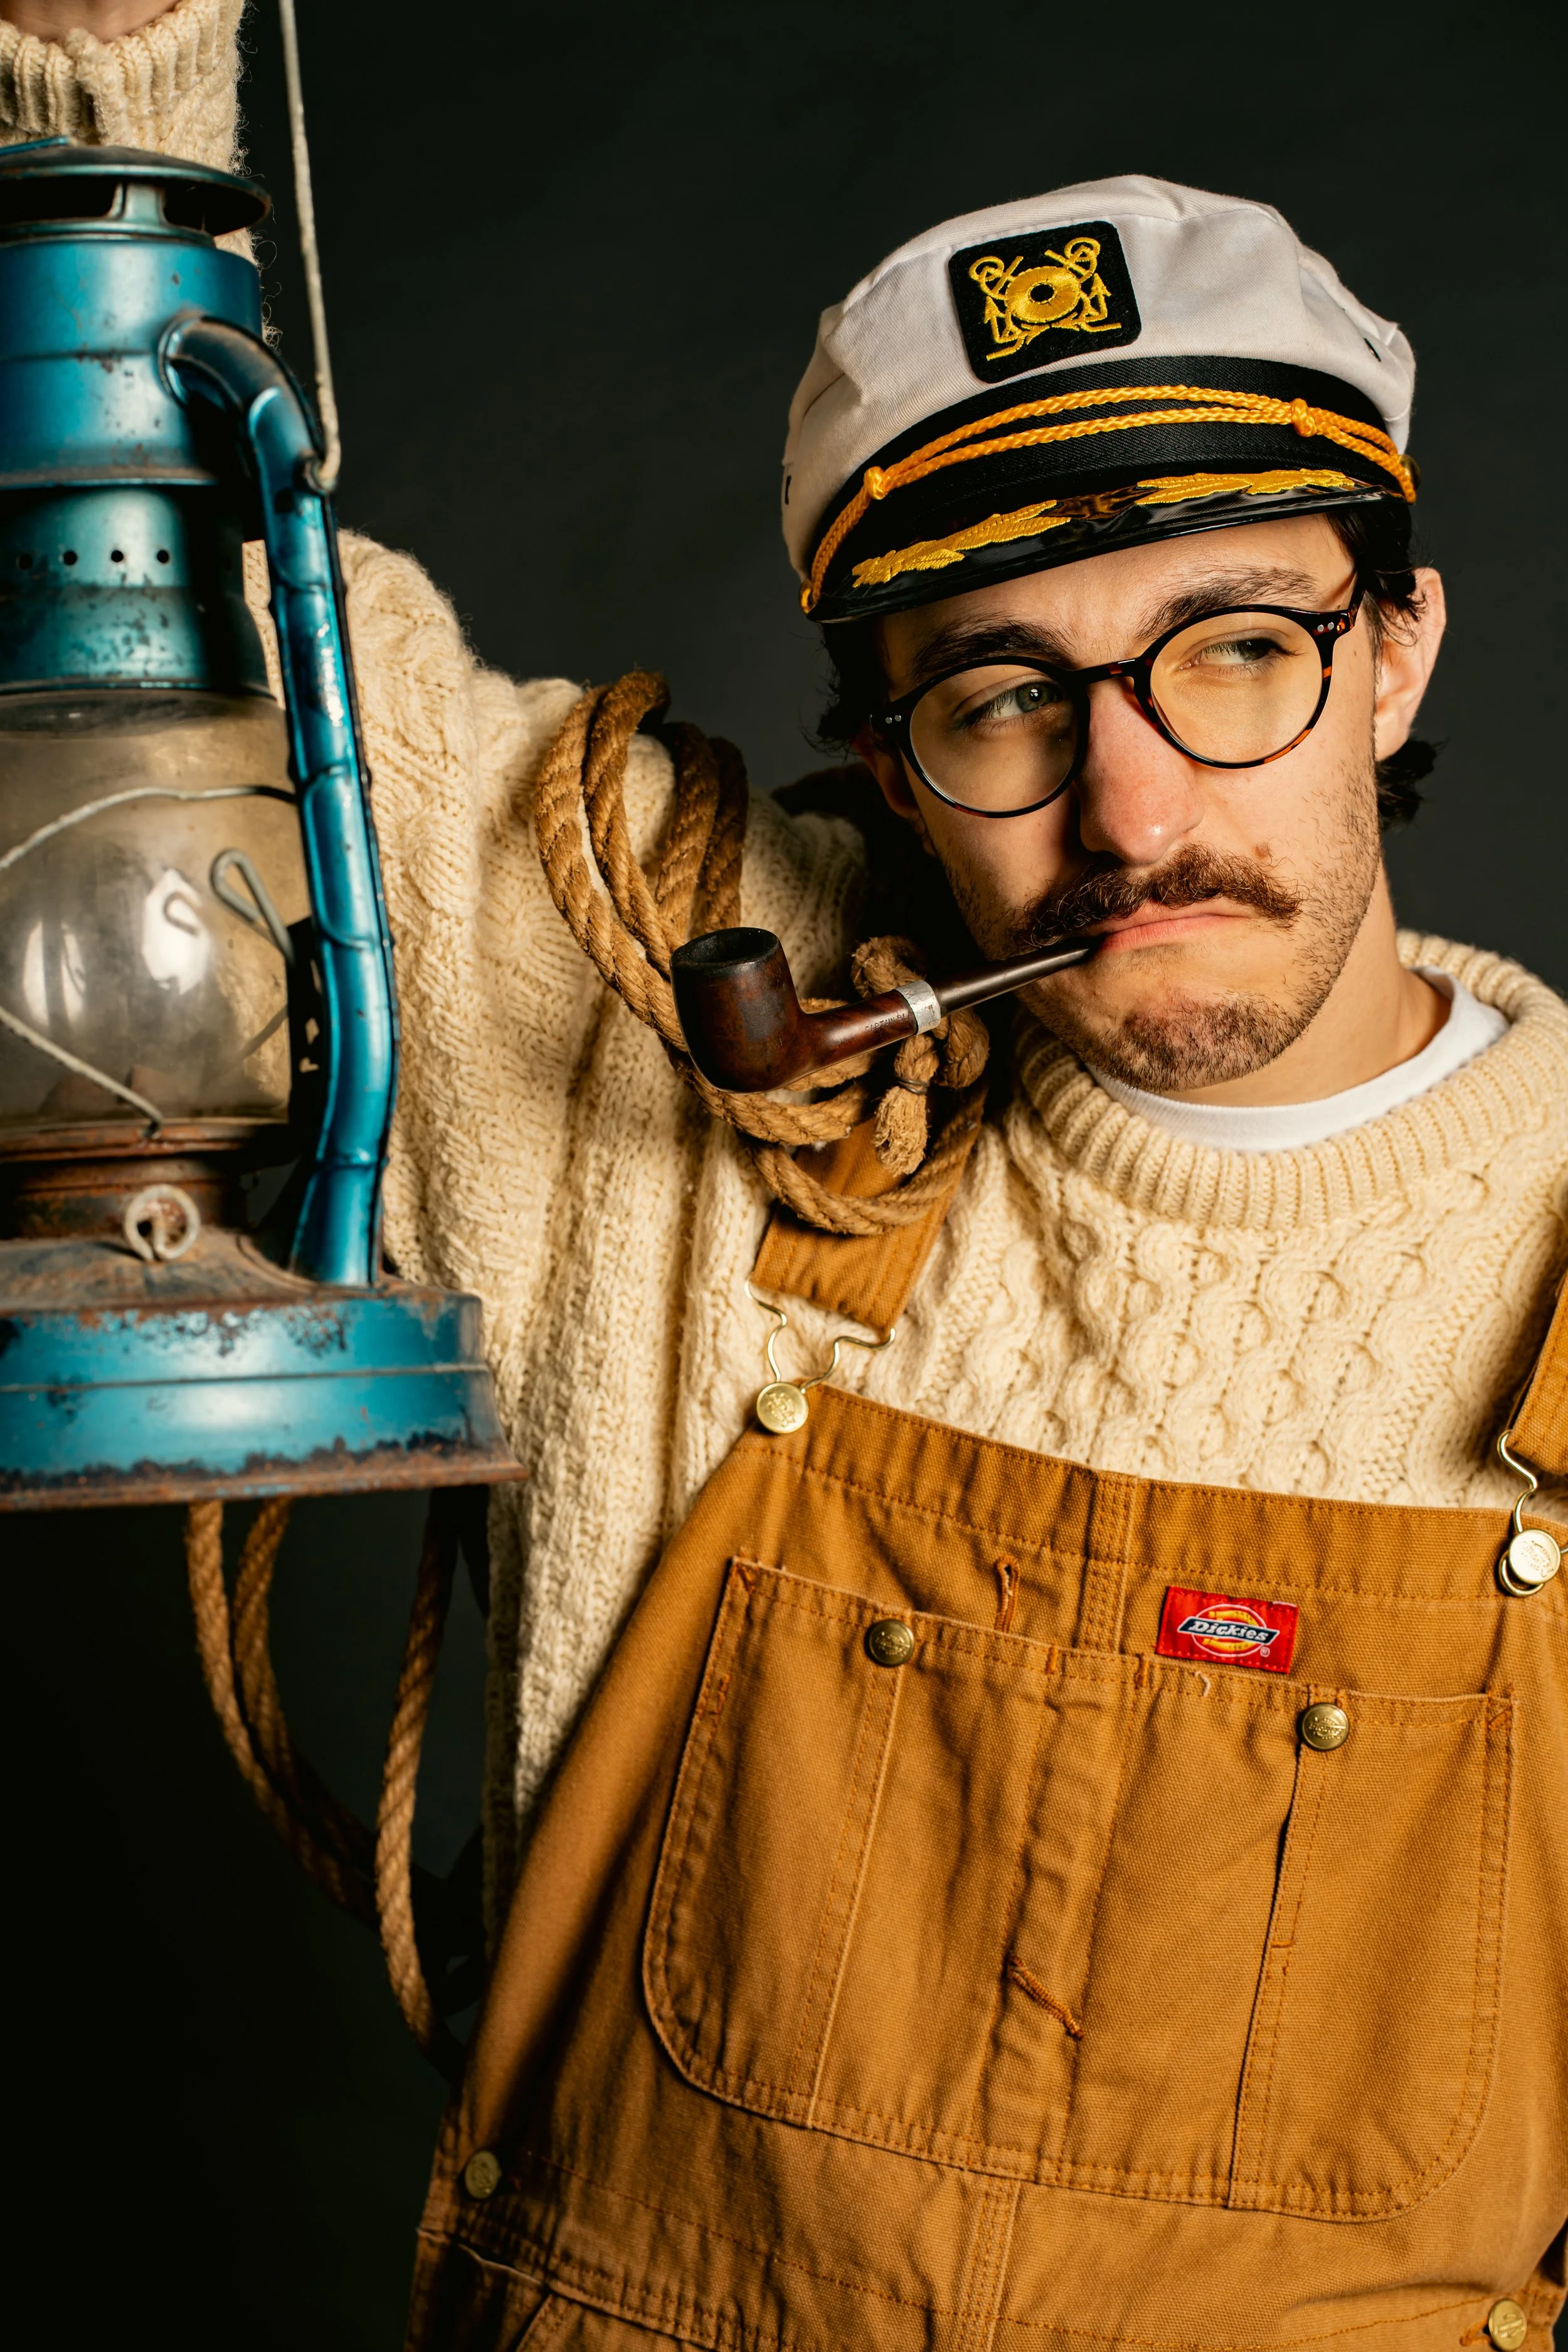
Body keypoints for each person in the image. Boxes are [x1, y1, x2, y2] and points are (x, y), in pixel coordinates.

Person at [4, 6, 1564, 2346]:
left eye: (1235, 652)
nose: (1130, 814)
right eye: (1002, 693)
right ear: (880, 750)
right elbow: (181, 596)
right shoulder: (671, 1005)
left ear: (1400, 643)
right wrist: (99, 81)